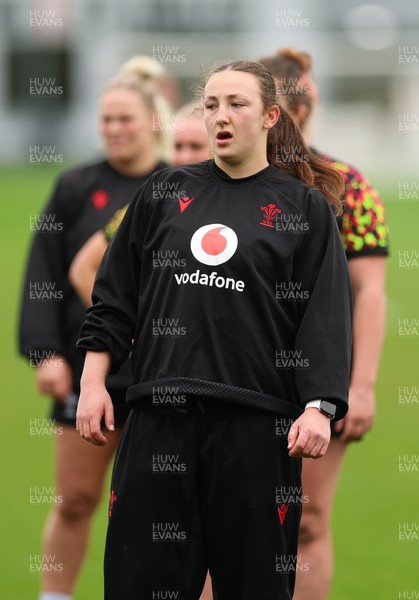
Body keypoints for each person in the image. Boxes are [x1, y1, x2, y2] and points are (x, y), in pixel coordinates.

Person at [75, 59, 352, 600]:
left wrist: (319, 406)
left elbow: (326, 317)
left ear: (271, 116)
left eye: (237, 104)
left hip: (256, 431)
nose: (220, 117)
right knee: (139, 585)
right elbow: (113, 297)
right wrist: (91, 382)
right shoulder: (162, 192)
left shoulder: (304, 209)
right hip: (157, 421)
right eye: (211, 105)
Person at [19, 57, 172, 600]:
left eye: (125, 119)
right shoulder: (76, 185)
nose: (113, 129)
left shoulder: (178, 184)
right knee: (77, 498)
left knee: (155, 505)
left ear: (153, 120)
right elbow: (43, 271)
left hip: (159, 372)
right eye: (106, 119)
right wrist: (46, 354)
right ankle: (54, 595)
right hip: (92, 366)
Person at [259, 47, 389, 600]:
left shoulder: (345, 184)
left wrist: (359, 388)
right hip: (234, 373)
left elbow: (370, 291)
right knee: (214, 522)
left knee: (306, 521)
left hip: (319, 379)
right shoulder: (206, 183)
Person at [69, 102, 211, 308]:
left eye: (196, 147)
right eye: (178, 147)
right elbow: (83, 270)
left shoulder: (245, 202)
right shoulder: (151, 203)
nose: (184, 157)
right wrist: (121, 332)